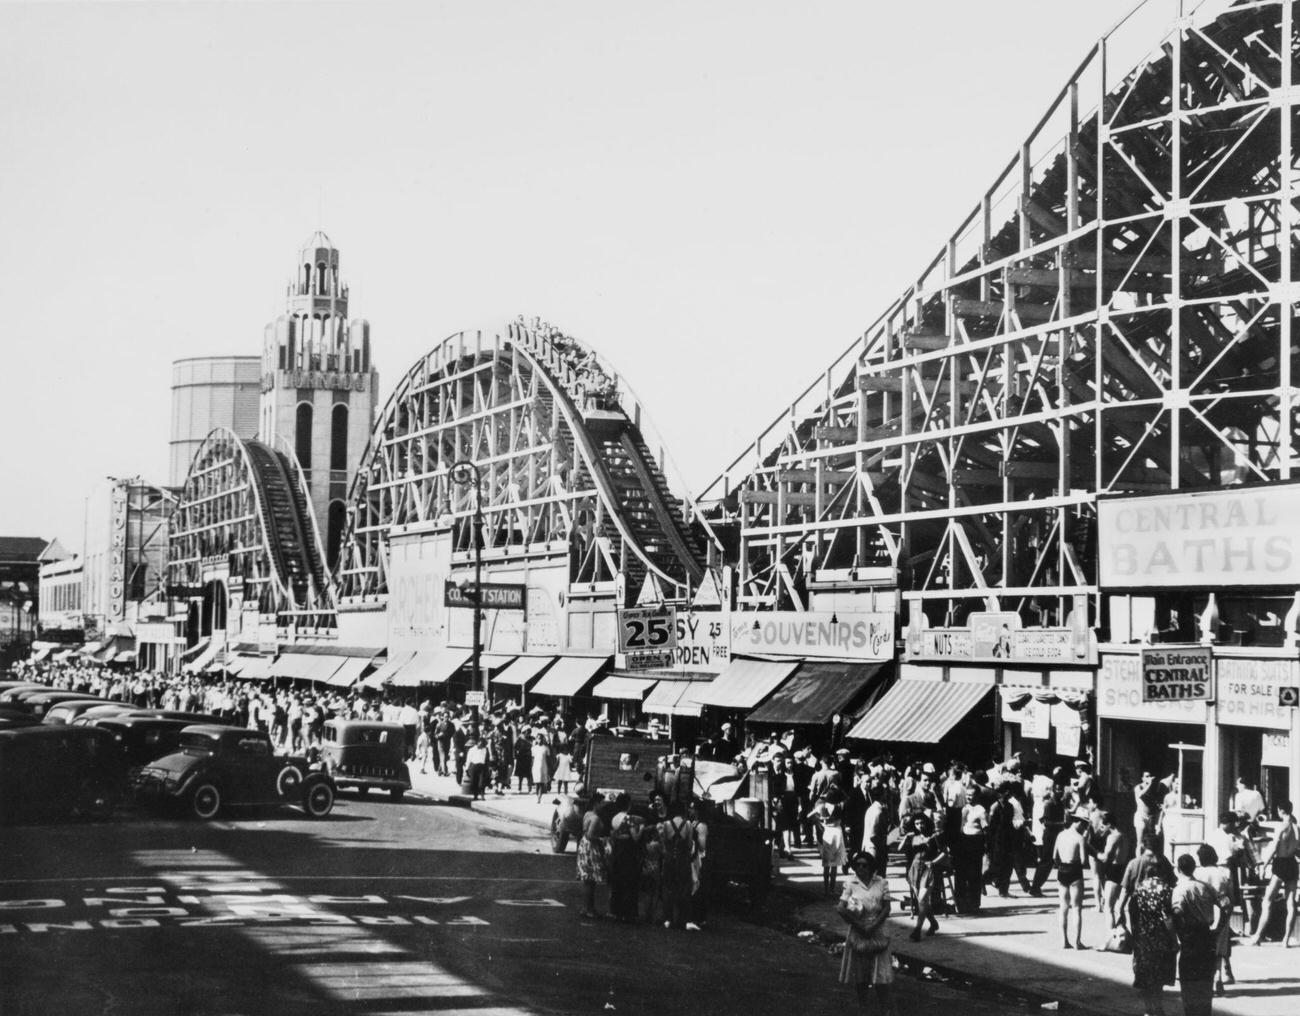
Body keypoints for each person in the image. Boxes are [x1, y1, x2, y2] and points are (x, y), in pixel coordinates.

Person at [1122, 836, 1177, 1016]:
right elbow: (1169, 912)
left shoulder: (1134, 864)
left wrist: (1119, 912)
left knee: (1144, 967)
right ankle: (1158, 1007)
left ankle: (1148, 1009)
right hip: (1160, 932)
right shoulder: (1164, 870)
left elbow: (1126, 891)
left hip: (1142, 928)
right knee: (1159, 971)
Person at [837, 851, 895, 1014]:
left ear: (871, 867)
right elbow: (840, 908)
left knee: (881, 972)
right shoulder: (851, 883)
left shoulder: (881, 882)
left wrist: (874, 925)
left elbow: (886, 908)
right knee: (861, 973)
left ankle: (885, 1009)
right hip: (858, 930)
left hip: (878, 929)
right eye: (858, 865)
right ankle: (864, 1007)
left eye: (865, 865)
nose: (861, 868)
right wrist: (858, 925)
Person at [1172, 852, 1222, 1016]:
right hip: (1206, 936)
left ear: (1178, 869)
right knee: (1205, 983)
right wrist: (1218, 929)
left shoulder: (1180, 890)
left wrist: (1178, 934)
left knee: (1189, 984)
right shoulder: (1204, 887)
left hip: (1190, 938)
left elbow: (1177, 912)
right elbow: (1226, 905)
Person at [1249, 798, 1298, 945]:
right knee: (1291, 902)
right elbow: (1297, 850)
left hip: (1280, 863)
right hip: (1292, 863)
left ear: (1281, 811)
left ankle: (1257, 936)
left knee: (1267, 901)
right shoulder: (1296, 828)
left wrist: (1264, 865)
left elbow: (1275, 847)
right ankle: (1286, 939)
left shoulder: (1281, 827)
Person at [1193, 844, 1236, 996]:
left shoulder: (1196, 873)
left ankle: (1208, 984)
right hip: (1221, 914)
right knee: (1219, 950)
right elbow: (1232, 897)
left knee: (1204, 951)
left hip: (1202, 915)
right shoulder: (1224, 873)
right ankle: (1218, 978)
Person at [901, 812, 942, 941]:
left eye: (922, 823)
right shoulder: (913, 837)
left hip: (928, 870)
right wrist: (906, 837)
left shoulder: (934, 836)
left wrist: (933, 862)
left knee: (923, 898)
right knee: (921, 902)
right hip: (914, 869)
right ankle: (933, 923)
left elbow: (945, 853)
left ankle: (917, 929)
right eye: (917, 823)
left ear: (927, 823)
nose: (920, 826)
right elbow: (900, 848)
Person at [1054, 808, 1090, 949]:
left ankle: (1064, 940)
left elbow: (1054, 856)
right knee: (1076, 908)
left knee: (1063, 907)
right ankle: (1077, 941)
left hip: (1062, 869)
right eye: (1085, 824)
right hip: (1075, 871)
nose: (1085, 827)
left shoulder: (1061, 835)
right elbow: (1083, 861)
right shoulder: (1079, 838)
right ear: (1079, 823)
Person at [659, 800, 695, 930]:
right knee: (684, 889)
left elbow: (664, 842)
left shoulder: (667, 824)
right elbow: (690, 844)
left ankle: (668, 918)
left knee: (668, 888)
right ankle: (682, 919)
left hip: (669, 860)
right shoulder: (688, 824)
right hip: (683, 860)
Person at [606, 792, 641, 923]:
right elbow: (635, 837)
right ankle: (628, 912)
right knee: (629, 881)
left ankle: (615, 910)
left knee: (617, 880)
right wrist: (642, 829)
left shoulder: (614, 818)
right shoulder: (629, 818)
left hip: (617, 849)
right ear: (628, 804)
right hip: (628, 850)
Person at [809, 788, 847, 897]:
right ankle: (832, 889)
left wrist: (820, 821)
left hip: (828, 832)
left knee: (826, 864)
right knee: (835, 864)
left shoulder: (822, 807)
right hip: (837, 832)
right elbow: (846, 800)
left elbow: (810, 816)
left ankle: (826, 889)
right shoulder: (840, 806)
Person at [576, 791, 608, 919]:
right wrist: (602, 839)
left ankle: (586, 907)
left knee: (587, 880)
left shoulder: (587, 814)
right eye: (602, 803)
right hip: (591, 847)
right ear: (596, 803)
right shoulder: (595, 818)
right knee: (590, 879)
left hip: (584, 845)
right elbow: (590, 835)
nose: (603, 805)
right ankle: (589, 909)